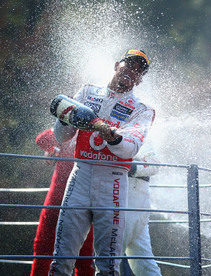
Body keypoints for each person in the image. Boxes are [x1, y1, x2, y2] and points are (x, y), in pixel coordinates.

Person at [49, 49, 155, 275]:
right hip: (81, 174)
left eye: (139, 70)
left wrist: (109, 133)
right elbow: (62, 136)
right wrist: (66, 117)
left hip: (114, 183)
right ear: (117, 65)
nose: (132, 71)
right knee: (61, 260)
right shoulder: (87, 92)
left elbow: (129, 149)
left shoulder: (143, 109)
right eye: (129, 65)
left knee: (108, 266)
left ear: (140, 79)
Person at [31, 129, 94, 276]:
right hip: (66, 200)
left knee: (83, 254)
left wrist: (53, 148)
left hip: (73, 201)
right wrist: (54, 148)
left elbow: (42, 138)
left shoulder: (75, 132)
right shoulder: (72, 130)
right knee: (45, 248)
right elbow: (41, 138)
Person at [121, 141, 162, 275]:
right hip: (131, 208)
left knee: (109, 259)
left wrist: (128, 167)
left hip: (130, 209)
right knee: (144, 263)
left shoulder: (140, 138)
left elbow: (154, 164)